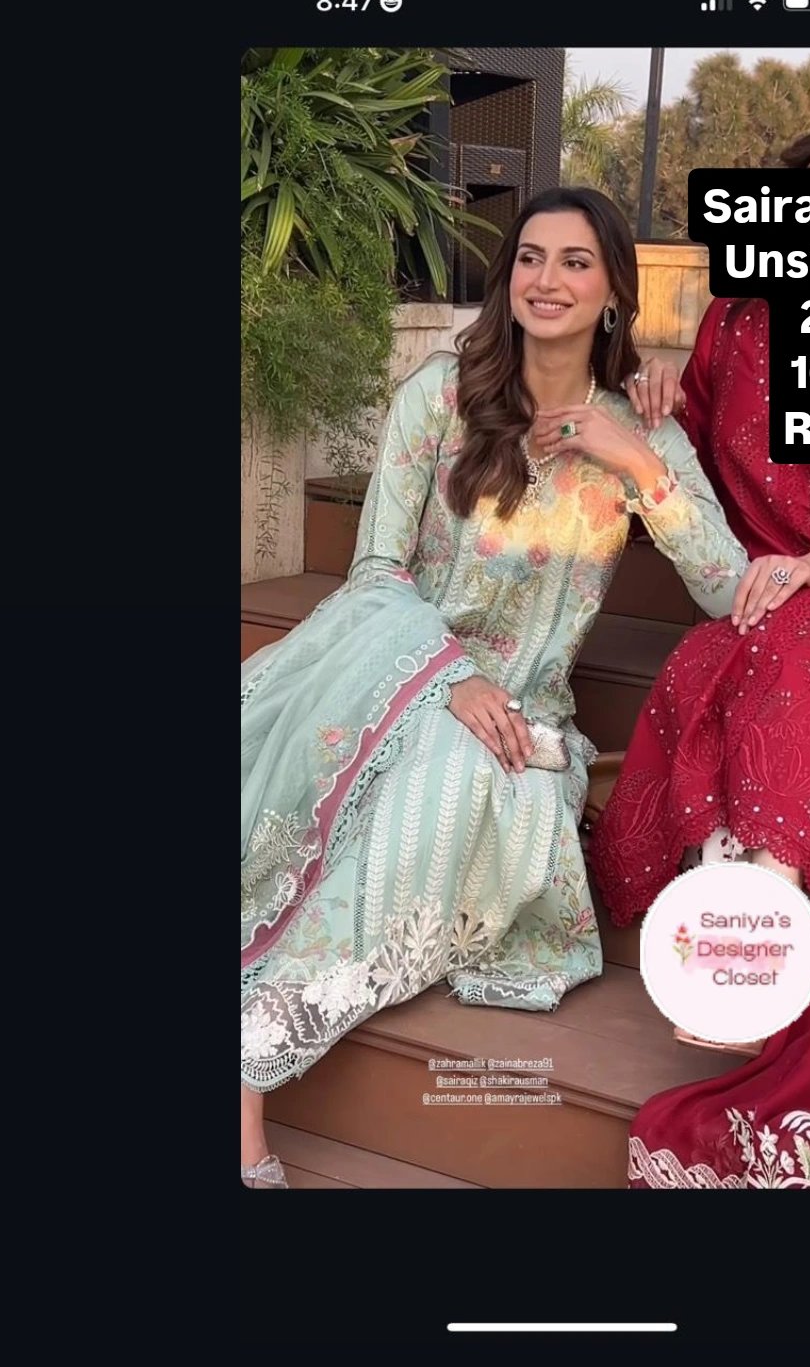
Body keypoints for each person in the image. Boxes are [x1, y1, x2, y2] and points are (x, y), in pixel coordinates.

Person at [241, 188, 748, 1185]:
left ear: (614, 292)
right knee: (411, 770)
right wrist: (452, 677)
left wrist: (635, 460)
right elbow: (376, 570)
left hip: (524, 723)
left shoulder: (640, 431)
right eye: (529, 257)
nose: (545, 280)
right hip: (395, 667)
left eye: (574, 262)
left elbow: (729, 590)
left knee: (457, 788)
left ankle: (251, 1036)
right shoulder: (438, 394)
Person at [592, 120, 810, 1189]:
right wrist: (660, 392)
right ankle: (731, 918)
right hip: (760, 594)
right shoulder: (738, 321)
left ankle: (755, 933)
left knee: (802, 641)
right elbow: (698, 446)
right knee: (716, 658)